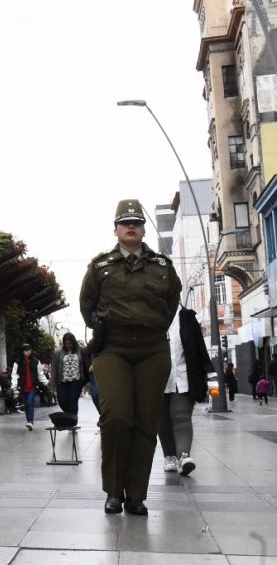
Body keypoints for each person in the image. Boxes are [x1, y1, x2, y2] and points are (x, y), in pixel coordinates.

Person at [79, 199, 181, 516]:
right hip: (113, 347)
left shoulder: (162, 266)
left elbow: (171, 302)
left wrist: (152, 325)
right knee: (117, 415)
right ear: (116, 229)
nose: (131, 226)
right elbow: (86, 304)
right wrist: (102, 324)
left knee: (146, 422)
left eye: (136, 221)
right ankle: (113, 490)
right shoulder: (100, 267)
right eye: (125, 222)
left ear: (143, 228)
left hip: (152, 348)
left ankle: (136, 494)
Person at [159, 307, 217, 478]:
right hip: (157, 377)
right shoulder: (152, 315)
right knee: (162, 419)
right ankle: (169, 456)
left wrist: (210, 372)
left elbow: (200, 346)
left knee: (181, 416)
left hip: (184, 376)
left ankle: (183, 456)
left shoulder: (187, 318)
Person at [11, 343, 48, 431]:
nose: (28, 352)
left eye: (29, 350)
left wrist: (47, 383)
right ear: (22, 351)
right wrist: (14, 386)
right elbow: (14, 374)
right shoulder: (18, 361)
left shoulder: (36, 361)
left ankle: (30, 421)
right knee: (27, 404)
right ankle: (29, 421)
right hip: (22, 386)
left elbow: (40, 374)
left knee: (29, 402)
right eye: (26, 350)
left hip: (32, 386)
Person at [50, 333, 85, 416]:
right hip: (62, 381)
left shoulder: (81, 351)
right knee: (62, 401)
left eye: (70, 343)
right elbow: (54, 369)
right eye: (66, 344)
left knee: (73, 400)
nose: (68, 345)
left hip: (76, 380)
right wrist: (52, 384)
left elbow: (85, 362)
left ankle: (72, 420)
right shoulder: (58, 353)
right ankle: (70, 415)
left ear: (74, 342)